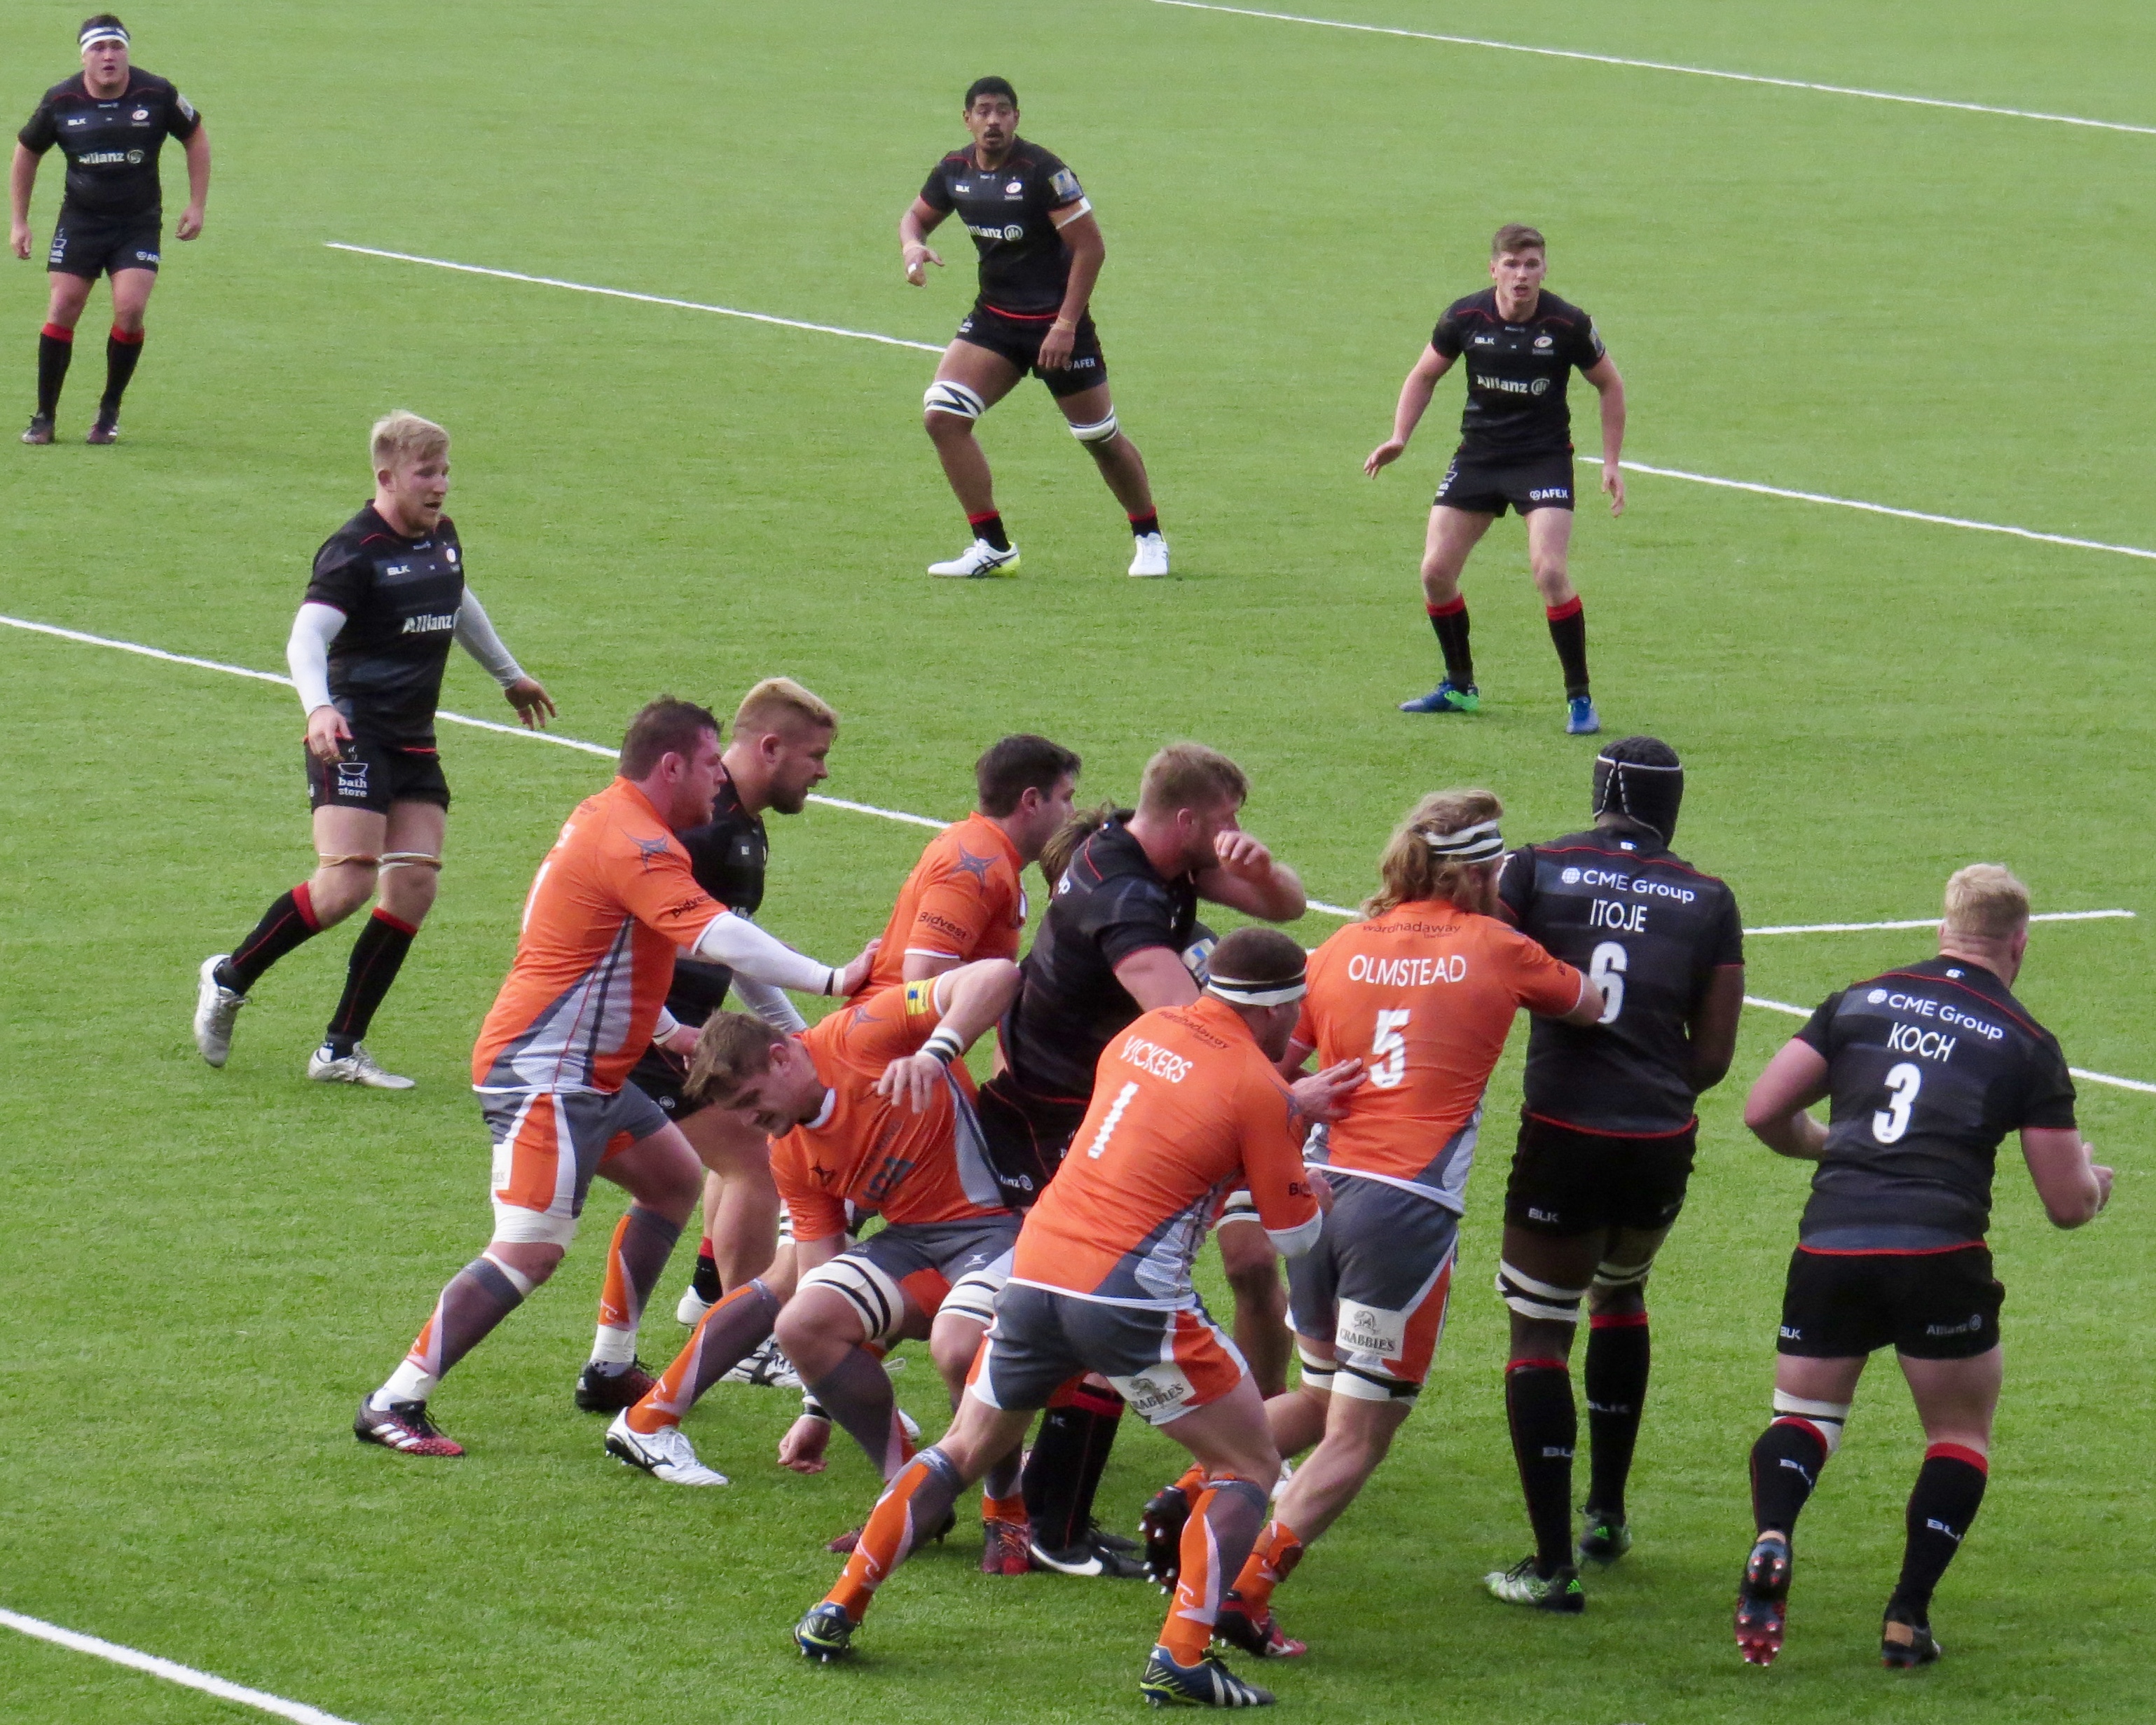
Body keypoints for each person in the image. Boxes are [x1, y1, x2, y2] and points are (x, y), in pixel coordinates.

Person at [792, 929, 1364, 1710]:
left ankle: (837, 1605)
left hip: (1033, 1269)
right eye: (1297, 1007)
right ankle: (1180, 1656)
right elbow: (1292, 1235)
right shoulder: (1257, 1085)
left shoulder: (1142, 1034)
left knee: (963, 1445)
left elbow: (1168, 1134)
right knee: (1249, 1465)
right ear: (1275, 1008)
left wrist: (1278, 1119)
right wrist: (1309, 1181)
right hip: (1128, 1298)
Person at [1143, 792, 1602, 1656]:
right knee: (1361, 1431)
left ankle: (1192, 1488)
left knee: (1321, 1397)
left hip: (1315, 1197)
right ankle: (1244, 1591)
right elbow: (1589, 1001)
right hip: (1404, 1214)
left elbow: (1281, 1066)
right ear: (1479, 870)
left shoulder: (1340, 947)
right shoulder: (1496, 944)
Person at [352, 699, 874, 1457]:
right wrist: (833, 979)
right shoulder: (637, 841)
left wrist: (664, 1031)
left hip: (587, 1069)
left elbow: (601, 946)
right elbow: (717, 936)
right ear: (672, 765)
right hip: (545, 1071)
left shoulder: (617, 821)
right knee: (529, 1249)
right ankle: (395, 1399)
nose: (718, 779)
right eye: (708, 764)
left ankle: (609, 1366)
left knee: (672, 1180)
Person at [1734, 865, 2110, 1668]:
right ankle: (1906, 1616)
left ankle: (1773, 1533)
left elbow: (1763, 1109)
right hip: (1938, 1252)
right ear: (2018, 943)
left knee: (1802, 1416)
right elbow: (2064, 1202)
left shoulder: (1858, 1000)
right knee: (1956, 1432)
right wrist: (2094, 1183)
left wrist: (1827, 1144)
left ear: (1943, 927)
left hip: (1832, 1241)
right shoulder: (2025, 1041)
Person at [980, 743, 1310, 1576]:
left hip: (1097, 1097)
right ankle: (1050, 1517)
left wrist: (1261, 868)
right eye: (1227, 819)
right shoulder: (1123, 895)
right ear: (1188, 819)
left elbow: (1288, 907)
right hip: (1061, 1112)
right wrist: (1281, 1102)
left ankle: (1032, 1507)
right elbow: (1192, 1032)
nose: (1233, 830)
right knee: (1110, 1303)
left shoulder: (1155, 849)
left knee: (1098, 1309)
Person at [605, 963, 1032, 1571]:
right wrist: (819, 1404)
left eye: (751, 1102)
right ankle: (907, 1499)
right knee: (802, 1320)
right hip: (915, 1242)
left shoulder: (861, 1032)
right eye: (737, 1112)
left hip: (1003, 1225)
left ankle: (1007, 1510)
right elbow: (821, 1274)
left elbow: (996, 975)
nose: (749, 1122)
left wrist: (935, 1053)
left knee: (960, 1346)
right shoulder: (788, 1151)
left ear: (781, 1058)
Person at [192, 412, 553, 1090]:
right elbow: (305, 638)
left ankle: (339, 1049)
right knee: (347, 883)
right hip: (352, 733)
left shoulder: (441, 537)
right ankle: (229, 978)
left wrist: (510, 676)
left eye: (445, 472)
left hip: (413, 738)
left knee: (413, 885)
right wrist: (318, 707)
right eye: (426, 474)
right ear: (387, 477)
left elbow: (454, 596)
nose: (440, 485)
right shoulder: (353, 551)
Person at [1484, 737, 1745, 1604]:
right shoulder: (1708, 896)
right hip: (1659, 1136)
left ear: (1600, 792)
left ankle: (1550, 1565)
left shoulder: (1536, 867)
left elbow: (1480, 967)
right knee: (1620, 1293)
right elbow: (1712, 1055)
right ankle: (1605, 1513)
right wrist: (1649, 1089)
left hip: (1563, 1130)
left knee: (1538, 1331)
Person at [900, 76, 1167, 580]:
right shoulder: (954, 170)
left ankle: (1149, 537)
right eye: (983, 111)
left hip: (1056, 325)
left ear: (1016, 118)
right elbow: (914, 218)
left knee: (1099, 436)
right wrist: (913, 246)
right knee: (942, 417)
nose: (993, 121)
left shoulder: (1043, 172)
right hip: (995, 322)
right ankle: (993, 547)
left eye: (1003, 111)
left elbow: (1091, 248)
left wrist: (1065, 325)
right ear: (967, 119)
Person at [639, 679, 843, 1335]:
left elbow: (735, 950)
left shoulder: (742, 824)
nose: (822, 772)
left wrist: (800, 1036)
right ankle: (747, 1338)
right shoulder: (705, 826)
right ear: (771, 748)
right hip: (657, 1029)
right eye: (815, 756)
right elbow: (648, 930)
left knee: (740, 1151)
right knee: (756, 1160)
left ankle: (711, 1300)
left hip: (681, 1025)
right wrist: (831, 983)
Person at [1366, 223, 1626, 735]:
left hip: (1542, 460)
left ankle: (1579, 698)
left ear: (1544, 269)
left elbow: (1609, 385)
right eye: (1511, 265)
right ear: (1493, 270)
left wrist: (1612, 462)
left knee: (1549, 572)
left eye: (1531, 265)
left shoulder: (1568, 324)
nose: (1521, 275)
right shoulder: (1465, 317)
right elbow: (1424, 375)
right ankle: (1459, 687)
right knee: (1435, 571)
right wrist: (1399, 437)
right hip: (1480, 457)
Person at [12, 15, 209, 444]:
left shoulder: (157, 93)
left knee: (130, 309)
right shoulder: (61, 100)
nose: (108, 56)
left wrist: (197, 205)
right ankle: (44, 417)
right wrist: (19, 221)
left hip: (137, 224)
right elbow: (26, 151)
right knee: (63, 306)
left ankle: (108, 411)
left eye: (116, 47)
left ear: (127, 53)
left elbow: (195, 137)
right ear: (84, 56)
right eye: (98, 48)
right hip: (81, 223)